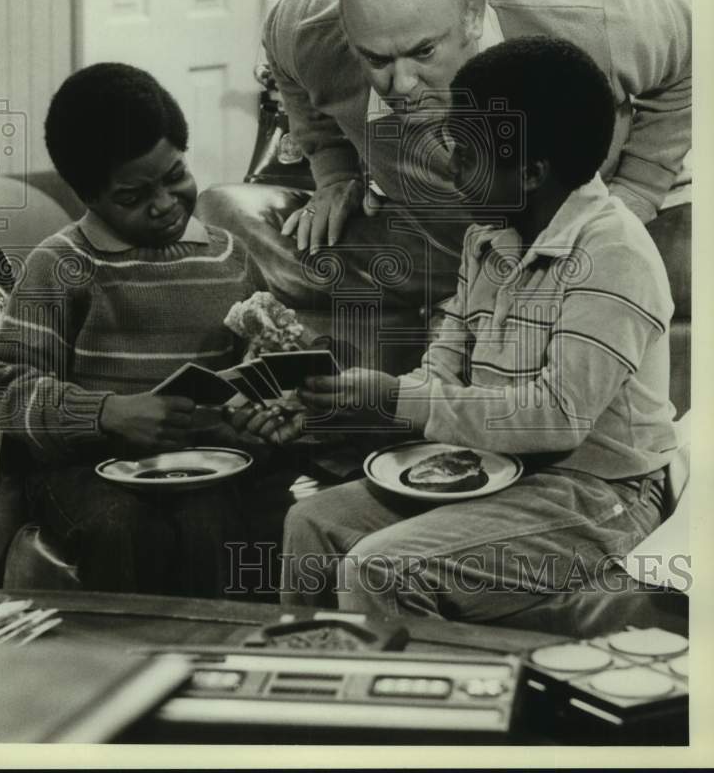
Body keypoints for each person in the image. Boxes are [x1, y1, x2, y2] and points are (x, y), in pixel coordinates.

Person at [234, 36, 677, 623]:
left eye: (466, 158)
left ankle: (405, 706)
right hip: (494, 466)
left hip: (600, 492)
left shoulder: (612, 252)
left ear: (531, 173)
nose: (451, 170)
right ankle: (315, 685)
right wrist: (339, 405)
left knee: (379, 568)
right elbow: (443, 365)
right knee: (311, 522)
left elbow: (557, 416)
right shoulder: (487, 234)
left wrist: (396, 397)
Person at [203, 0, 691, 310]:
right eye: (375, 59)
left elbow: (698, 35)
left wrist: (638, 194)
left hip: (592, 217)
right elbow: (280, 49)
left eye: (423, 52)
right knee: (219, 213)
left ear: (474, 13)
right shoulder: (306, 23)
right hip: (438, 236)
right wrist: (332, 170)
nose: (401, 86)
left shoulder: (585, 11)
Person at [0, 63, 268, 596]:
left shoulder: (230, 258)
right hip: (85, 471)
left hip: (206, 464)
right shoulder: (61, 264)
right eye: (132, 198)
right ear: (88, 197)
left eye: (175, 176)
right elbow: (7, 392)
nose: (164, 204)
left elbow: (256, 372)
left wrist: (257, 409)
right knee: (126, 528)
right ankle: (126, 668)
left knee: (219, 524)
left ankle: (213, 664)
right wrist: (108, 413)